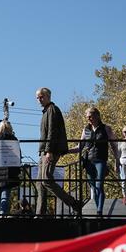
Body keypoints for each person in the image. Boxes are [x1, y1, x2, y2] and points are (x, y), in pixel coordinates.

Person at [36, 88, 80, 216]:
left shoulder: (52, 110)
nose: (39, 99)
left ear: (47, 96)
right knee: (40, 183)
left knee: (46, 180)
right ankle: (40, 212)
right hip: (44, 151)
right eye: (37, 97)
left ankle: (74, 203)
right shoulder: (46, 111)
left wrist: (49, 151)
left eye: (41, 97)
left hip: (51, 150)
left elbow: (52, 131)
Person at [76, 107, 117, 217]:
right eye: (87, 117)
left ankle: (99, 211)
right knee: (93, 186)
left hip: (100, 160)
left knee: (99, 185)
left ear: (97, 116)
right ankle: (98, 208)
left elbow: (113, 145)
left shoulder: (106, 129)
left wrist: (117, 160)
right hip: (88, 161)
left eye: (90, 116)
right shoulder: (86, 130)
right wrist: (65, 150)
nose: (89, 118)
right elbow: (80, 147)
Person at [0, 120, 21, 217]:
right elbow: (17, 156)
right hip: (8, 173)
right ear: (10, 129)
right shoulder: (13, 140)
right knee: (5, 197)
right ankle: (3, 217)